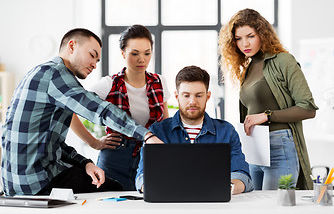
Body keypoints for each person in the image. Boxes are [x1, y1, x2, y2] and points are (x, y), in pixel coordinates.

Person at [1, 28, 161, 196]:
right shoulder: (55, 75)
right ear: (72, 46)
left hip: (17, 181)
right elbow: (100, 109)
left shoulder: (39, 72)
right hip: (37, 181)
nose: (94, 64)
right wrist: (146, 135)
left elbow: (50, 144)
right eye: (92, 55)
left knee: (102, 181)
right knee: (114, 191)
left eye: (98, 60)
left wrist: (85, 163)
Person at [218, 8, 318, 190]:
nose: (244, 43)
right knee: (254, 205)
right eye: (238, 39)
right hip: (255, 147)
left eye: (250, 36)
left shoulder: (283, 61)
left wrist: (267, 116)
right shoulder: (248, 68)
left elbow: (308, 108)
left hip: (280, 146)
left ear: (262, 34)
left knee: (273, 206)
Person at [71, 24, 170, 190]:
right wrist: (94, 142)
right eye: (135, 53)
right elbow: (70, 108)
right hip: (114, 159)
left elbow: (165, 123)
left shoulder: (160, 82)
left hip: (150, 159)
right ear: (123, 53)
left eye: (147, 53)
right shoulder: (108, 84)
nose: (142, 59)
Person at [136, 66, 254, 194]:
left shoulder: (226, 131)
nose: (192, 102)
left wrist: (229, 188)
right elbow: (142, 177)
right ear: (177, 96)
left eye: (199, 95)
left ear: (207, 96)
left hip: (214, 203)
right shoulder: (158, 132)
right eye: (186, 95)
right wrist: (157, 187)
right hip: (170, 202)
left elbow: (242, 175)